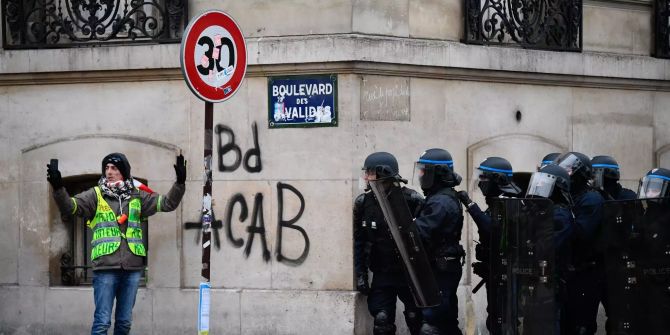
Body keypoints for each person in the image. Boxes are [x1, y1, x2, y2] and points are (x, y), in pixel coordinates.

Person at [47, 152, 186, 335]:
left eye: (114, 168)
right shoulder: (95, 195)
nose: (109, 172)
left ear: (124, 172)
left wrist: (180, 183)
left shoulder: (137, 196)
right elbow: (70, 206)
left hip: (132, 268)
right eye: (106, 168)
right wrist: (58, 187)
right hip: (105, 268)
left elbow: (167, 203)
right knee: (102, 322)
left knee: (124, 323)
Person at [353, 152, 424, 335]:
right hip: (382, 271)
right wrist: (361, 273)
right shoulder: (364, 202)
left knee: (416, 318)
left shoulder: (412, 200)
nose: (365, 177)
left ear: (382, 173)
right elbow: (359, 241)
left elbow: (425, 238)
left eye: (369, 173)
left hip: (409, 272)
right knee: (382, 320)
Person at [455, 157, 521, 335]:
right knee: (494, 319)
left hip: (507, 275)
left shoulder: (509, 202)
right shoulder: (496, 202)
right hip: (494, 272)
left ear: (498, 179)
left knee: (503, 320)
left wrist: (470, 204)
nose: (481, 182)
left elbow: (492, 230)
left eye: (485, 178)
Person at [412, 148, 464, 335]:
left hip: (441, 268)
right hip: (439, 267)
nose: (420, 175)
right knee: (446, 322)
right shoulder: (438, 197)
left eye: (424, 171)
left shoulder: (441, 202)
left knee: (432, 324)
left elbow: (420, 232)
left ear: (437, 173)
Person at [555, 152, 605, 335]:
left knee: (580, 325)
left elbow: (581, 233)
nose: (563, 172)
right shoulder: (568, 197)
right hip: (569, 272)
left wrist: (562, 213)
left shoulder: (591, 198)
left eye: (568, 169)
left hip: (585, 272)